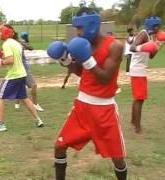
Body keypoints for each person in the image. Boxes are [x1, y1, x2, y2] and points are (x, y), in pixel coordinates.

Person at [47, 8, 127, 180]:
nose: (77, 32)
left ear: (91, 25)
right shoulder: (82, 44)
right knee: (59, 146)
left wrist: (88, 58)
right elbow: (81, 72)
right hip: (82, 107)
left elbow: (105, 78)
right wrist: (65, 59)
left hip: (104, 110)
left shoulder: (115, 46)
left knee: (118, 158)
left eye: (79, 28)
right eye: (76, 28)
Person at [0, 24, 44, 132]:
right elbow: (11, 57)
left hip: (14, 75)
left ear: (6, 32)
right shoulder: (16, 43)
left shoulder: (7, 44)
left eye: (1, 31)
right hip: (22, 74)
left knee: (0, 97)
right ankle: (38, 120)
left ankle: (0, 124)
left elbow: (11, 60)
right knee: (24, 98)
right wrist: (0, 55)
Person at [129, 16, 161, 134]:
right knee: (140, 98)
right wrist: (144, 46)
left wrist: (157, 46)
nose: (159, 28)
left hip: (140, 69)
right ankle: (137, 127)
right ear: (152, 25)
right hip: (137, 69)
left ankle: (133, 121)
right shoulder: (143, 34)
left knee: (139, 98)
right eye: (157, 25)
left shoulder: (151, 37)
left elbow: (151, 56)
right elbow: (132, 47)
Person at [14, 32, 44, 111]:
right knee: (33, 85)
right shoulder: (16, 43)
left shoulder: (16, 42)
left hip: (18, 67)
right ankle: (35, 104)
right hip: (22, 66)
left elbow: (30, 47)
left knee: (20, 84)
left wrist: (21, 42)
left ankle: (17, 103)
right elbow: (30, 47)